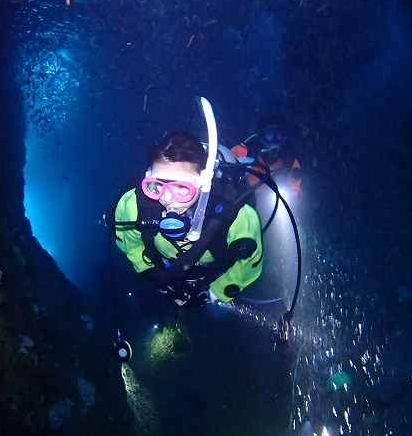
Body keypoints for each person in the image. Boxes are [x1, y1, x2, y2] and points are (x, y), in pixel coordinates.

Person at [113, 130, 264, 307]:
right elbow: (130, 243)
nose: (167, 199)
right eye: (156, 186)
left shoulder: (238, 216)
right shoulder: (133, 206)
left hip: (214, 272)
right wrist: (151, 273)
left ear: (204, 181)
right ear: (148, 178)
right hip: (164, 266)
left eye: (182, 188)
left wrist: (215, 293)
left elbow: (250, 262)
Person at [231, 114, 302, 201]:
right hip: (239, 201)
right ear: (261, 137)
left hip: (273, 205)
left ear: (284, 138)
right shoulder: (243, 152)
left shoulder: (290, 163)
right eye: (269, 134)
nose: (275, 139)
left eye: (279, 134)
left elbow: (295, 195)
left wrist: (291, 197)